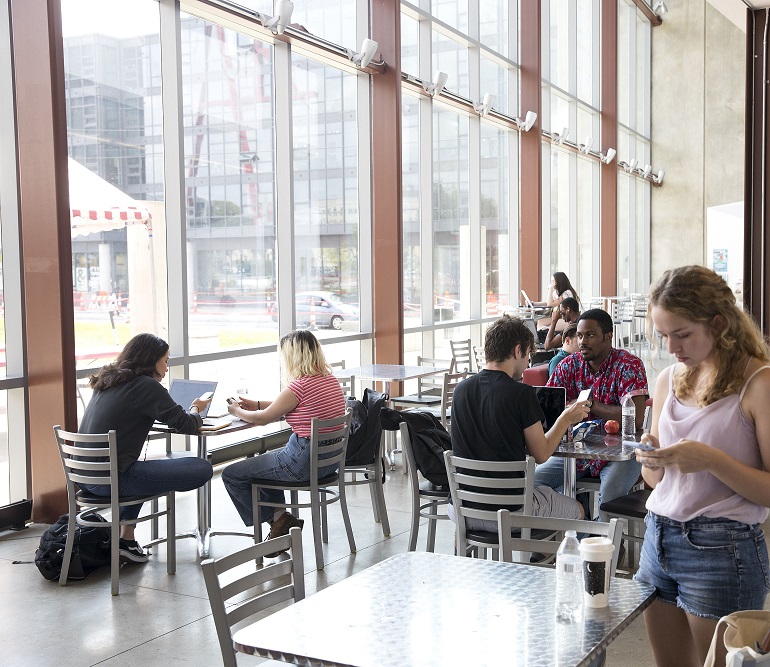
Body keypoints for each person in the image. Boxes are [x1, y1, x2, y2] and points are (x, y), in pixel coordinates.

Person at [634, 266, 770, 667]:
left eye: (682, 334)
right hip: (657, 538)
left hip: (724, 549)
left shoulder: (758, 383)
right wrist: (652, 456)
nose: (672, 347)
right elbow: (653, 481)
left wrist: (711, 460)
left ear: (719, 324)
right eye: (663, 336)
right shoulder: (670, 380)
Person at [78, 333, 214, 564]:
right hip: (111, 479)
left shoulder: (108, 381)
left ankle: (126, 540)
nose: (167, 368)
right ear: (151, 361)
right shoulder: (146, 386)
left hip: (84, 476)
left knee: (141, 470)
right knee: (202, 467)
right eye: (165, 361)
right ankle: (125, 539)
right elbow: (187, 425)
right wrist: (195, 408)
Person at [448, 315, 590, 532]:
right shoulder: (520, 394)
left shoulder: (460, 390)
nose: (527, 363)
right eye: (528, 355)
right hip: (508, 512)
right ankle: (542, 557)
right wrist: (565, 419)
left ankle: (533, 554)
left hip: (461, 509)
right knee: (576, 509)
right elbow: (541, 454)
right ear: (517, 351)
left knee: (540, 493)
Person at [222, 329, 345, 545]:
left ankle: (278, 521)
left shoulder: (299, 386)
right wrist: (257, 404)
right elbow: (292, 405)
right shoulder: (329, 381)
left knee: (232, 474)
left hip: (301, 463)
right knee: (264, 467)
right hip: (328, 463)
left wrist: (236, 411)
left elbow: (261, 419)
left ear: (292, 356)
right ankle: (280, 518)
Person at [534, 308, 648, 516]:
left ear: (608, 336)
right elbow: (548, 410)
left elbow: (636, 419)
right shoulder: (568, 365)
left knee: (610, 493)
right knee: (533, 481)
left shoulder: (629, 365)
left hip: (623, 453)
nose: (583, 341)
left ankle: (605, 545)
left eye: (590, 335)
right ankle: (580, 534)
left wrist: (590, 404)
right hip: (576, 452)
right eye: (579, 336)